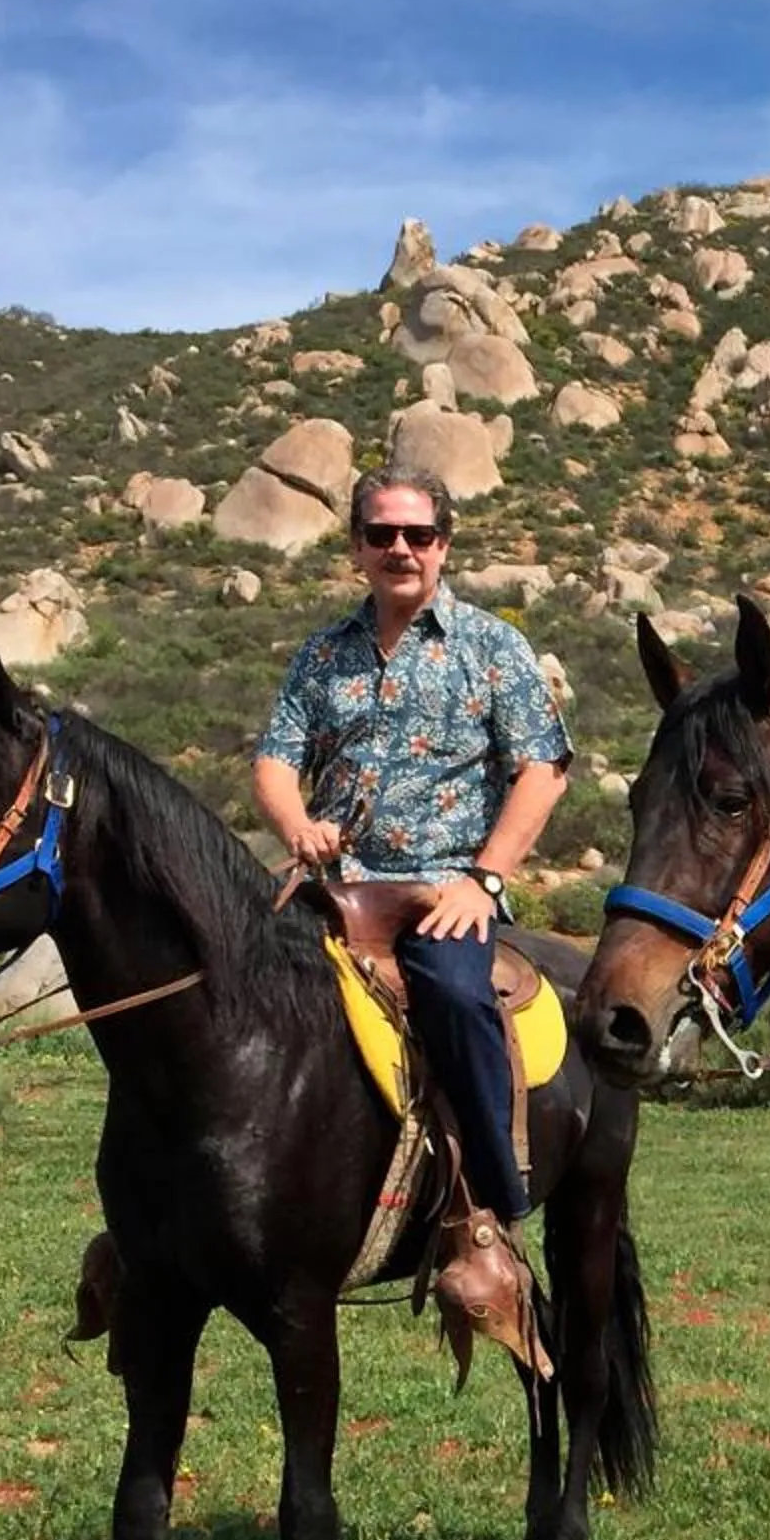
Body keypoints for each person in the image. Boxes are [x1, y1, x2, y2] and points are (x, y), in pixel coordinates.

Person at [254, 468, 570, 1243]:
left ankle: (492, 1211)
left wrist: (483, 880)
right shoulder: (322, 655)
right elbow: (274, 763)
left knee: (458, 1000)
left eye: (418, 535)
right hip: (332, 890)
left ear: (444, 545)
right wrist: (297, 826)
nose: (401, 548)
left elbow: (543, 768)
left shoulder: (494, 647)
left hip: (444, 893)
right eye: (383, 535)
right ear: (357, 549)